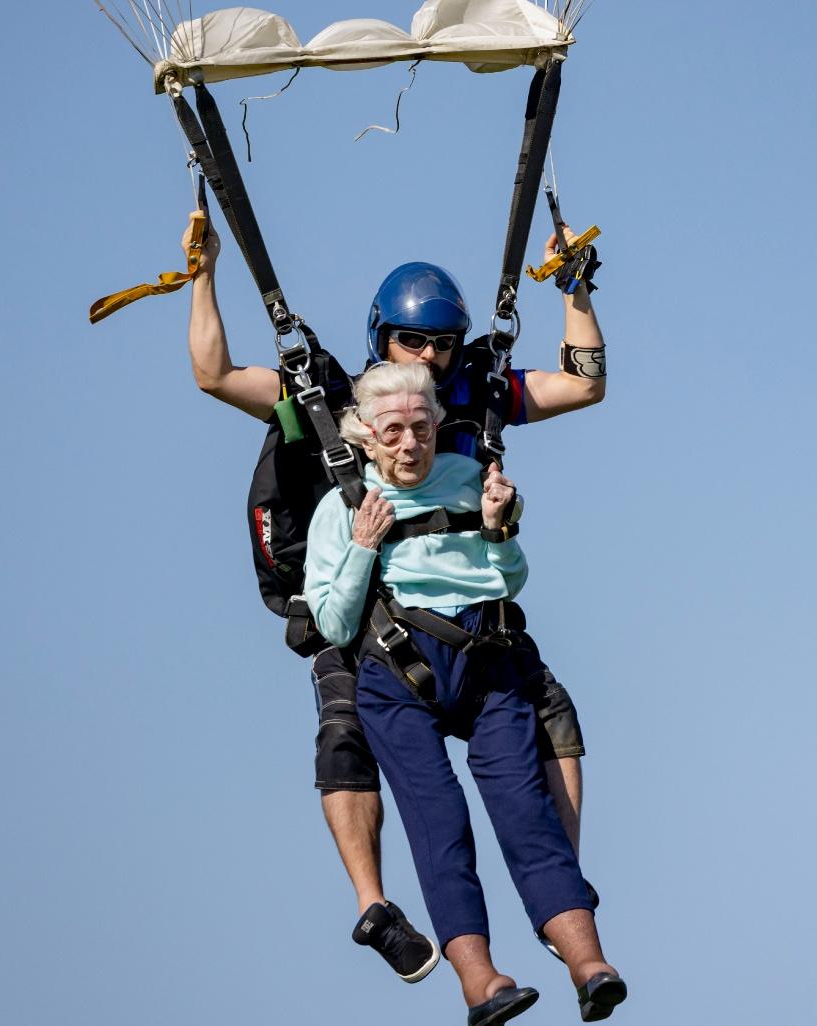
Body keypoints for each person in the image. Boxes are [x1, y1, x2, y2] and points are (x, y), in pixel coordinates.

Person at [185, 223, 607, 980]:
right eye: (413, 342)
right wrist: (203, 277)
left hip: (465, 610)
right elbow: (215, 375)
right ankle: (373, 906)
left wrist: (576, 292)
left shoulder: (475, 396)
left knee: (552, 712)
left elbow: (582, 383)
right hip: (359, 604)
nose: (430, 359)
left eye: (443, 344)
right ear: (385, 338)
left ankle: (558, 888)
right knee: (345, 733)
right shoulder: (331, 399)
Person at [304, 363, 625, 1025]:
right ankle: (481, 983)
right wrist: (364, 546)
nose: (409, 443)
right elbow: (333, 626)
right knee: (440, 825)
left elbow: (508, 579)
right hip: (397, 680)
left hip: (487, 666)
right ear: (365, 436)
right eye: (393, 431)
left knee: (526, 812)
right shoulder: (341, 508)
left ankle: (588, 964)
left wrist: (499, 528)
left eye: (421, 428)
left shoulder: (471, 481)